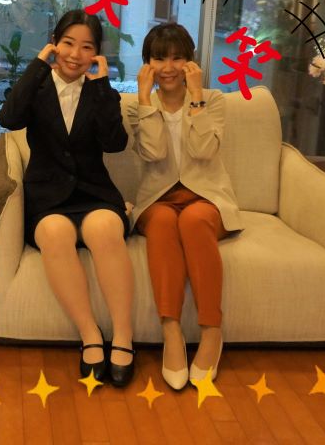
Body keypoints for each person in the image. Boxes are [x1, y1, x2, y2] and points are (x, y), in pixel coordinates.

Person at [0, 9, 136, 387]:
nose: (76, 54)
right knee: (55, 233)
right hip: (47, 197)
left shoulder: (100, 92)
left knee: (105, 228)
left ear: (97, 53)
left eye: (87, 47)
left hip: (94, 193)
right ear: (54, 44)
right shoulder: (38, 86)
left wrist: (103, 86)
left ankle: (123, 336)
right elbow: (8, 118)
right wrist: (38, 65)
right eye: (68, 43)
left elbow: (115, 143)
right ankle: (90, 334)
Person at [126, 22, 243, 391]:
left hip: (206, 197)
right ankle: (171, 331)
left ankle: (211, 331)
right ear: (147, 63)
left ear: (191, 62)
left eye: (177, 58)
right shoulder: (138, 105)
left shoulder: (214, 99)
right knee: (162, 221)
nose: (169, 67)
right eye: (159, 59)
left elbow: (203, 151)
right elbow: (154, 152)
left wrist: (196, 98)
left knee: (193, 221)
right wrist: (145, 100)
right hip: (158, 198)